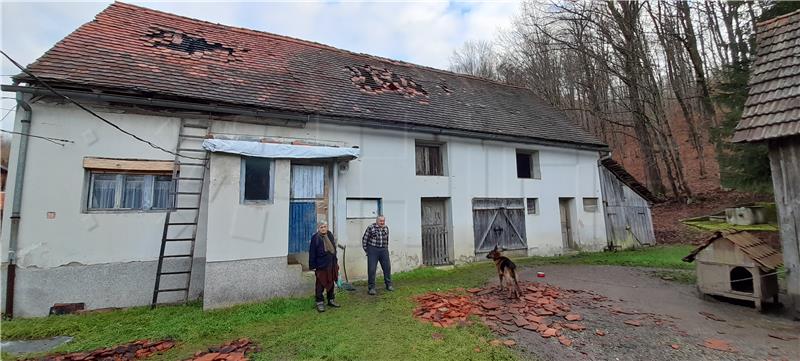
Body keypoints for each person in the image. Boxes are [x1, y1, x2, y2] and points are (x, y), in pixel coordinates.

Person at [309, 221, 340, 312]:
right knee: (320, 284)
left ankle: (331, 300)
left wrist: (335, 262)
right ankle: (319, 302)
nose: (323, 228)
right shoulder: (315, 238)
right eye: (321, 227)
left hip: (331, 263)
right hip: (321, 265)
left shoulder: (330, 235)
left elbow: (333, 249)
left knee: (331, 282)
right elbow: (312, 253)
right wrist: (313, 266)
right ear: (318, 228)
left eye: (325, 226)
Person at [362, 215, 393, 295]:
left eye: (383, 221)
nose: (382, 222)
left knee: (387, 268)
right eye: (380, 221)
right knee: (372, 269)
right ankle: (371, 288)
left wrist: (386, 248)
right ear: (377, 221)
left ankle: (388, 285)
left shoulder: (386, 228)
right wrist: (367, 250)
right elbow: (365, 239)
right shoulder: (371, 227)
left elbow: (387, 239)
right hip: (373, 250)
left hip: (384, 249)